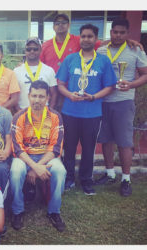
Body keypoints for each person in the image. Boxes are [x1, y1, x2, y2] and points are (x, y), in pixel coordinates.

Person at [56, 24, 117, 195]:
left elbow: (110, 86)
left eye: (90, 36)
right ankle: (68, 178)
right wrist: (69, 95)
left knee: (88, 148)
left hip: (92, 113)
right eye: (83, 36)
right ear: (80, 38)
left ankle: (86, 180)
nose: (86, 39)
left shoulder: (103, 61)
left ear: (96, 39)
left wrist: (94, 97)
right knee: (69, 148)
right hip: (70, 112)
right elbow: (60, 84)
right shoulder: (70, 59)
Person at [40, 13, 142, 112]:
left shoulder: (78, 39)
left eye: (64, 22)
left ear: (68, 25)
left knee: (66, 123)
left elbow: (100, 42)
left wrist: (126, 40)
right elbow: (41, 68)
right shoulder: (45, 45)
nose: (60, 25)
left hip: (72, 92)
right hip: (52, 92)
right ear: (53, 27)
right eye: (57, 23)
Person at [94, 19, 147, 196]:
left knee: (124, 142)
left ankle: (126, 178)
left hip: (123, 101)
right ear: (110, 32)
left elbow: (145, 74)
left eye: (121, 32)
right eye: (114, 32)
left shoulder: (135, 50)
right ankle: (110, 174)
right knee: (106, 140)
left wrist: (131, 85)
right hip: (103, 102)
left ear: (128, 33)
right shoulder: (101, 50)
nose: (117, 35)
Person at [10, 80, 66, 232]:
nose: (37, 100)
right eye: (34, 96)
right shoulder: (19, 116)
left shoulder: (55, 117)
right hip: (24, 157)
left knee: (60, 172)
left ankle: (54, 211)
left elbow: (55, 148)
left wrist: (36, 168)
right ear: (28, 96)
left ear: (48, 97)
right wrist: (34, 166)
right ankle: (17, 211)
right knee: (15, 172)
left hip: (46, 157)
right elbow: (17, 148)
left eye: (41, 96)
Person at [14, 37, 57, 110]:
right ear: (25, 51)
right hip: (23, 113)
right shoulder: (16, 71)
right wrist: (19, 112)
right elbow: (13, 95)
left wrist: (49, 112)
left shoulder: (49, 70)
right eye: (28, 49)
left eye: (35, 49)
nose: (32, 51)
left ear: (40, 50)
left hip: (43, 114)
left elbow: (54, 94)